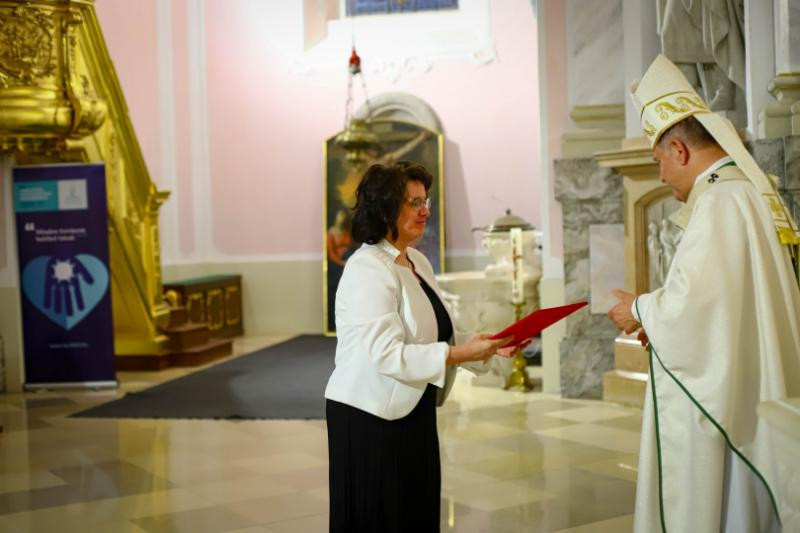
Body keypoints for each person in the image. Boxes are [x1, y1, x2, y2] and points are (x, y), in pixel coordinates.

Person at [608, 54, 800, 532]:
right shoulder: (743, 192)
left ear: (679, 150)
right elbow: (720, 308)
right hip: (747, 384)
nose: (660, 176)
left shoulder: (720, 200)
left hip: (729, 407)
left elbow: (695, 308)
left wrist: (638, 309)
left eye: (658, 161)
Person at [324, 161, 512, 532]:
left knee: (415, 513)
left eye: (425, 201)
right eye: (414, 202)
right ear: (385, 208)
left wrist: (486, 346)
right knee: (379, 519)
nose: (425, 211)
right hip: (369, 416)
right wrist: (459, 355)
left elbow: (437, 332)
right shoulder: (367, 268)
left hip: (413, 408)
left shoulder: (417, 261)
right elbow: (387, 354)